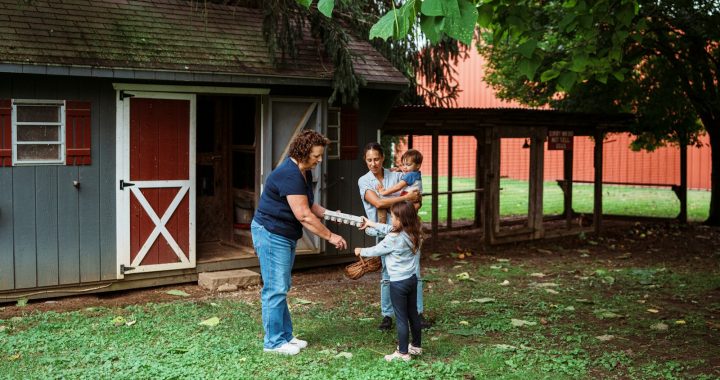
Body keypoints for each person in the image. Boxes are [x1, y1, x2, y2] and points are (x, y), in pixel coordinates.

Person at [251, 130, 348, 356]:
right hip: (271, 233)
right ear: (303, 152)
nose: (320, 160)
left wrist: (333, 215)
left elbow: (311, 206)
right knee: (275, 288)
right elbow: (304, 215)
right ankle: (273, 343)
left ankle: (285, 336)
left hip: (284, 234)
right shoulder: (290, 175)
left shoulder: (303, 173)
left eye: (321, 155)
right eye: (316, 156)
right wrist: (331, 236)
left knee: (281, 286)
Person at [357, 142, 430, 331]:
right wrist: (404, 199)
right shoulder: (364, 181)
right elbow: (378, 203)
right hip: (384, 230)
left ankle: (418, 312)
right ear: (365, 161)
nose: (373, 163)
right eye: (369, 160)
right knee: (387, 273)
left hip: (407, 229)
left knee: (414, 271)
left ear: (383, 158)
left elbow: (418, 197)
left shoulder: (398, 175)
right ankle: (387, 315)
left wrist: (413, 201)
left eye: (377, 159)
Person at [355, 201, 423, 362]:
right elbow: (389, 229)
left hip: (398, 283)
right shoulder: (414, 232)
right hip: (412, 279)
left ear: (400, 219)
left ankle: (403, 353)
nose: (391, 220)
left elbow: (377, 250)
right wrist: (371, 223)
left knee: (400, 318)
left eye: (392, 217)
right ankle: (416, 346)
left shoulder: (393, 239)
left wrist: (360, 251)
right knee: (413, 314)